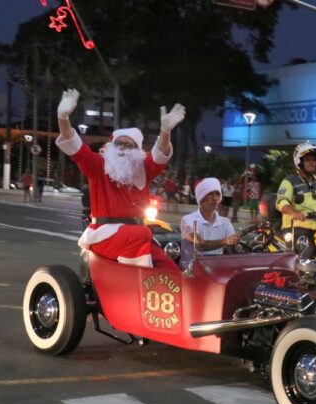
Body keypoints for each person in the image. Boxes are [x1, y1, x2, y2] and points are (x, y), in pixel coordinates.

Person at [55, 88, 185, 269]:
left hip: (137, 237)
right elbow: (74, 146)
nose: (123, 148)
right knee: (142, 234)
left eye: (129, 145)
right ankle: (136, 285)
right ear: (111, 146)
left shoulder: (142, 170)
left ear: (138, 151)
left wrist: (165, 131)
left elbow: (160, 154)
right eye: (119, 144)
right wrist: (63, 118)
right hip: (104, 235)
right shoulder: (99, 166)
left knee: (173, 271)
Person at [179, 177, 240, 269]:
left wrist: (237, 243)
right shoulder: (188, 220)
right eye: (210, 194)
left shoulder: (225, 223)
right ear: (201, 198)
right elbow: (200, 244)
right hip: (191, 272)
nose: (215, 198)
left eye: (217, 194)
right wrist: (225, 241)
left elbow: (233, 250)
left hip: (215, 271)